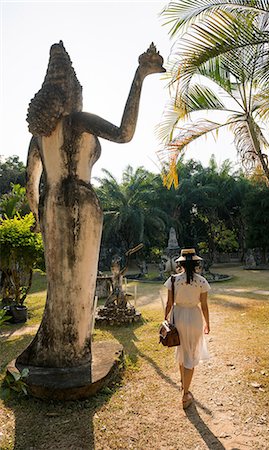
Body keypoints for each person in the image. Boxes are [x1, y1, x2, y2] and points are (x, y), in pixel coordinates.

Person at [16, 41, 165, 368]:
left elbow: (30, 185)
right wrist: (139, 77)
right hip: (82, 203)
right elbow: (125, 133)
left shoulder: (37, 137)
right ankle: (75, 352)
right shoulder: (79, 120)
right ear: (72, 93)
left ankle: (58, 349)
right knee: (79, 290)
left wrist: (39, 217)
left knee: (60, 287)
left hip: (51, 206)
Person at [164, 248, 210, 409]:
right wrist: (207, 323)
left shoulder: (173, 280)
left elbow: (169, 304)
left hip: (178, 316)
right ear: (196, 263)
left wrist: (165, 319)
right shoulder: (202, 281)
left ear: (180, 263)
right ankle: (185, 395)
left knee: (182, 350)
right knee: (190, 353)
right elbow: (204, 305)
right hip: (195, 317)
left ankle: (184, 384)